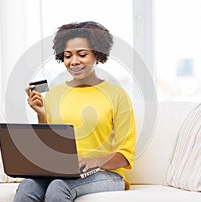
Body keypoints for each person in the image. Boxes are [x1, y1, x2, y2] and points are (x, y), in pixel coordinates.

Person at [14, 21, 136, 202]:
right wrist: (41, 113)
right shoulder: (54, 94)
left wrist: (96, 160)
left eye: (82, 54)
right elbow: (48, 145)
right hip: (59, 171)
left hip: (105, 173)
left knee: (59, 186)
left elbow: (126, 155)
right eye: (68, 55)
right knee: (28, 186)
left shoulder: (117, 94)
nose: (74, 61)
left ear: (97, 55)